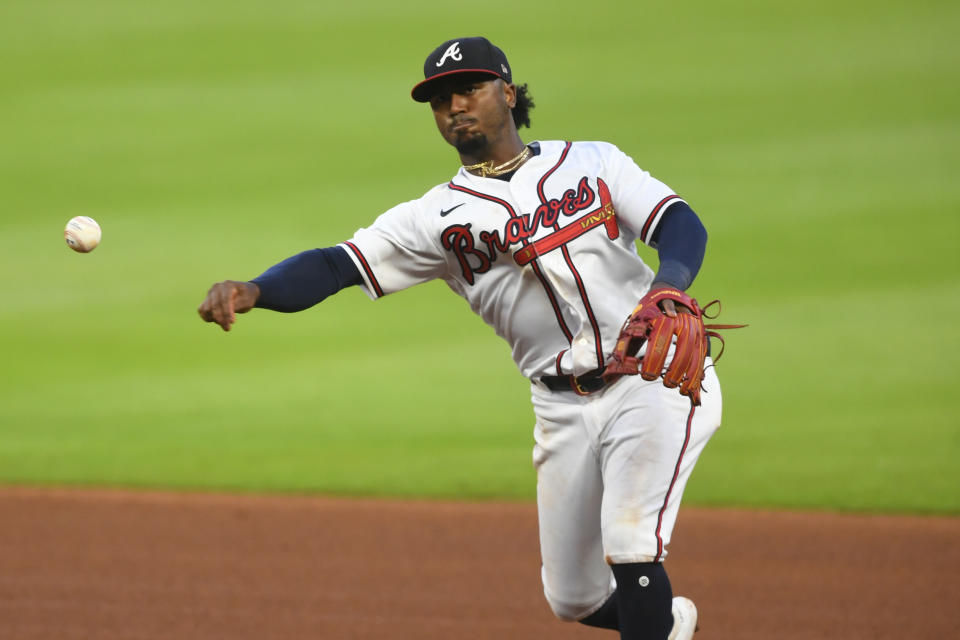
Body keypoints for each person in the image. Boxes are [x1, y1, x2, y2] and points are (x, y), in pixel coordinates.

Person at [198, 37, 720, 640]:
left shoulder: (594, 162)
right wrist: (255, 290)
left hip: (650, 376)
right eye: (441, 101)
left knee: (631, 546)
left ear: (508, 92)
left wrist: (669, 286)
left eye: (468, 90)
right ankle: (668, 624)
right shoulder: (433, 219)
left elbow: (679, 221)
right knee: (572, 597)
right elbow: (336, 263)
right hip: (558, 404)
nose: (455, 108)